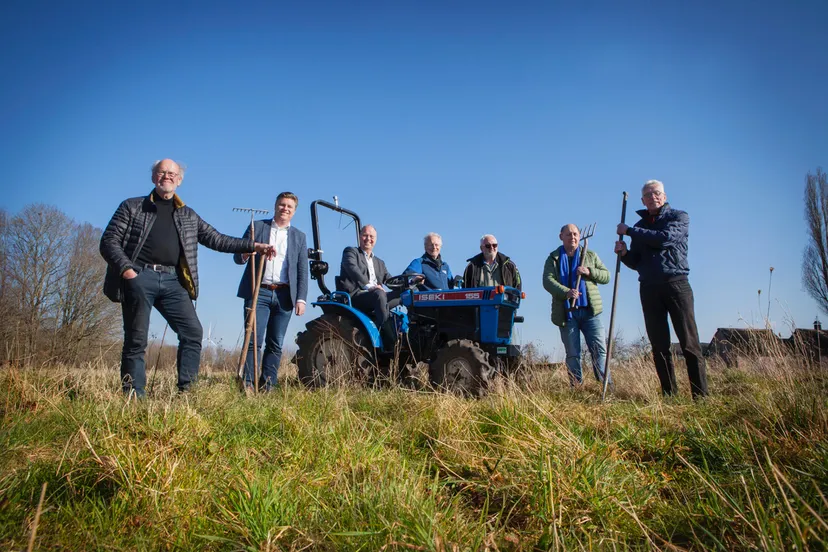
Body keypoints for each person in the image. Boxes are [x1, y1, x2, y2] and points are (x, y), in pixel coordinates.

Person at [100, 159, 274, 397]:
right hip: (141, 276)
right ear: (154, 177)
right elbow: (109, 241)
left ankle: (187, 393)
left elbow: (217, 239)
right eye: (162, 172)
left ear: (179, 180)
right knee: (136, 339)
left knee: (193, 332)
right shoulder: (132, 207)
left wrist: (254, 246)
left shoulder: (187, 215)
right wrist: (128, 271)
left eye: (172, 173)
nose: (167, 176)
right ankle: (134, 397)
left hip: (173, 281)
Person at [615, 179, 709, 399]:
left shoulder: (679, 217)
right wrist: (625, 254)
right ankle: (669, 394)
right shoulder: (640, 228)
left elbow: (665, 239)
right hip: (648, 287)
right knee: (659, 346)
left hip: (676, 284)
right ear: (642, 200)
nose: (652, 197)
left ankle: (701, 396)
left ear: (664, 196)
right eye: (648, 195)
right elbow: (637, 263)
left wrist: (629, 231)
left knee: (689, 343)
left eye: (656, 193)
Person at [234, 192, 309, 392]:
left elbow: (302, 270)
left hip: (285, 295)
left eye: (289, 206)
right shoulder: (257, 227)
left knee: (275, 343)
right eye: (282, 204)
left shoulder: (299, 237)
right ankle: (248, 383)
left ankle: (268, 385)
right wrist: (247, 251)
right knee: (253, 340)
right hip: (259, 291)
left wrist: (301, 298)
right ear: (275, 206)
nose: (285, 208)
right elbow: (237, 257)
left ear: (294, 211)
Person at [543, 224, 610, 386]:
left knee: (600, 351)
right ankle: (577, 387)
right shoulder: (554, 258)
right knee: (573, 353)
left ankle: (605, 386)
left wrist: (589, 272)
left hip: (590, 312)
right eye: (568, 235)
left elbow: (606, 276)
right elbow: (547, 281)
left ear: (580, 236)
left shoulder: (590, 255)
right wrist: (566, 292)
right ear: (561, 237)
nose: (572, 237)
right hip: (567, 313)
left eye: (575, 234)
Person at [339, 225, 412, 335]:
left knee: (406, 294)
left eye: (371, 236)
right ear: (359, 237)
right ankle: (387, 334)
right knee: (379, 293)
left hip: (377, 296)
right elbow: (353, 269)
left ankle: (410, 331)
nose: (368, 239)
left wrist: (410, 283)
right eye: (365, 235)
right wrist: (369, 286)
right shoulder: (351, 252)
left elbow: (390, 280)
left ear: (376, 239)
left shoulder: (379, 262)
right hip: (356, 296)